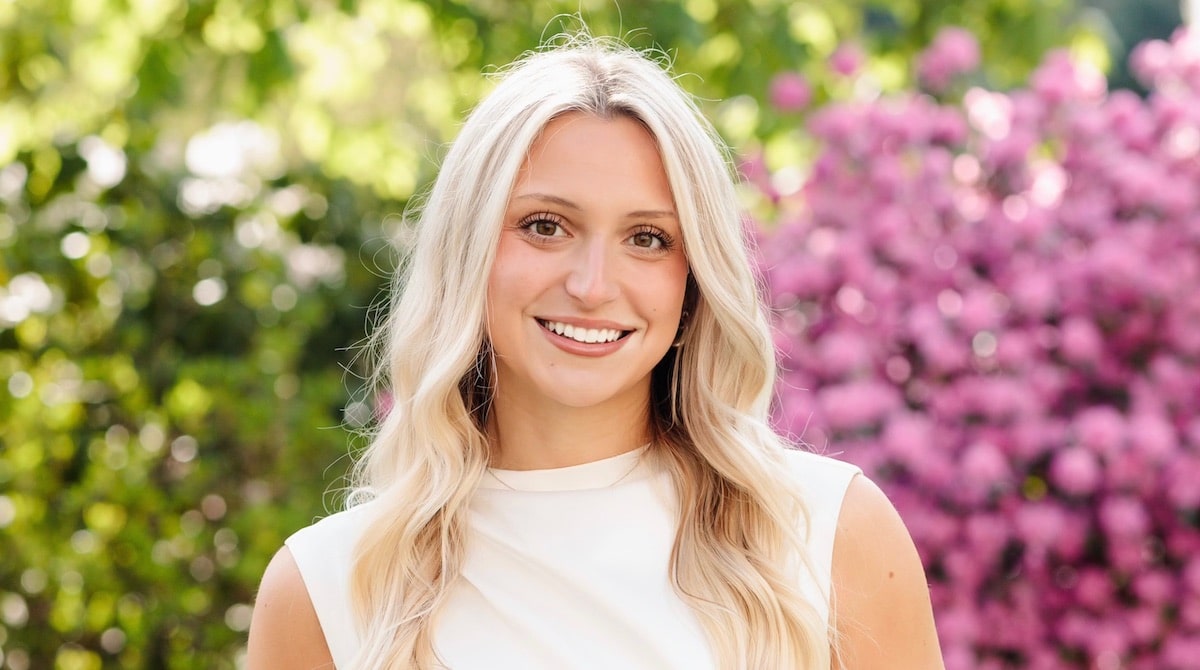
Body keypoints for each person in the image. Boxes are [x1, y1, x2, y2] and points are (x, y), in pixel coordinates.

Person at [247, 34, 944, 670]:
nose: (592, 286)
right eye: (545, 226)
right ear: (468, 252)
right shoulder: (327, 589)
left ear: (693, 282)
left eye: (647, 239)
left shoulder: (827, 534)